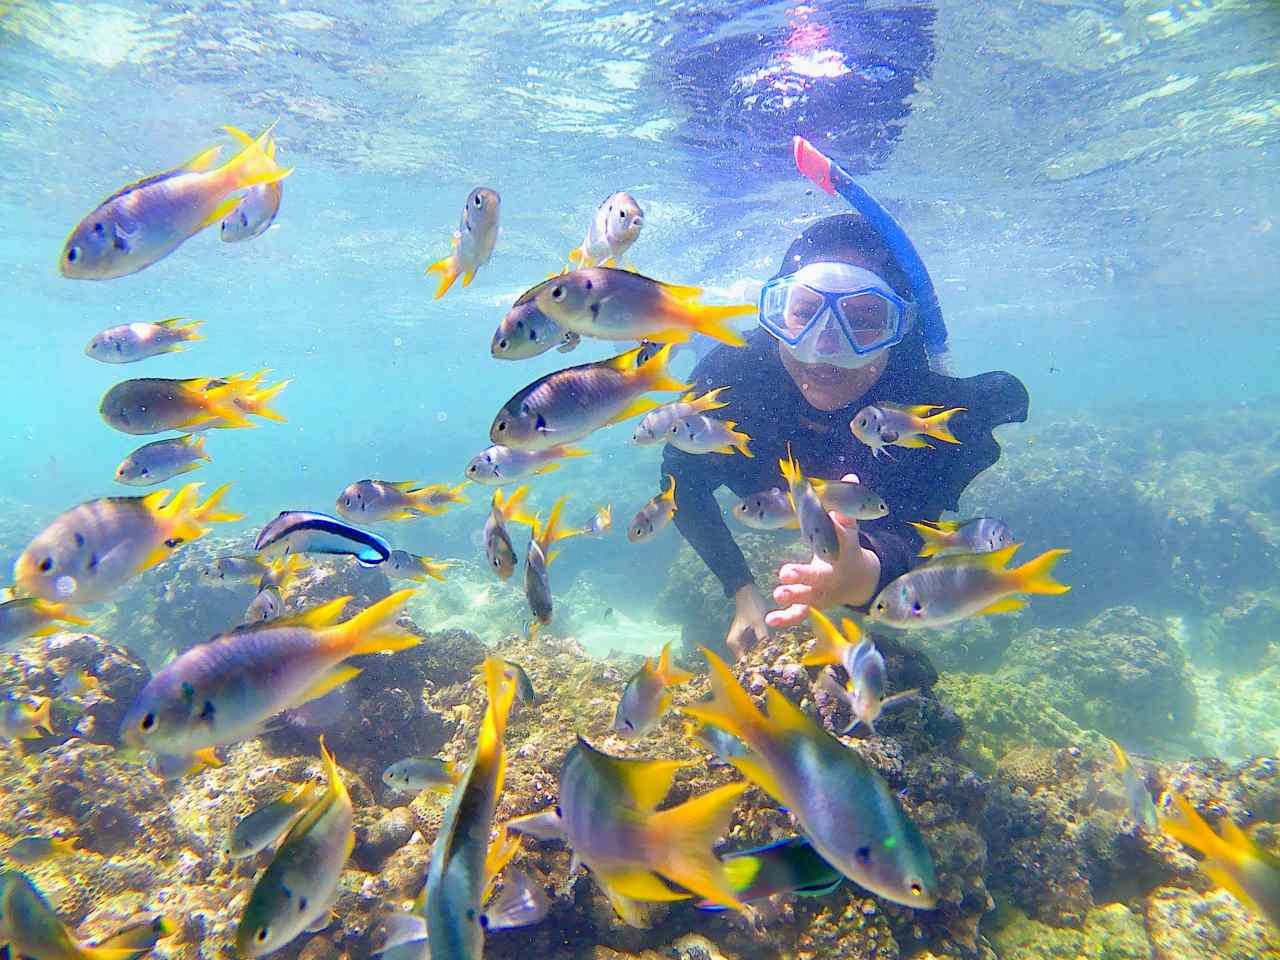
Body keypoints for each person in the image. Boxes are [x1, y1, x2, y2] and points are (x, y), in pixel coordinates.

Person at [661, 212, 1029, 657]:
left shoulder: (920, 406)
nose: (826, 348)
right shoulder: (731, 378)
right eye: (804, 312)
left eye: (866, 318)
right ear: (776, 313)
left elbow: (913, 529)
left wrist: (859, 575)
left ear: (901, 329)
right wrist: (740, 587)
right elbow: (681, 487)